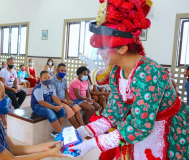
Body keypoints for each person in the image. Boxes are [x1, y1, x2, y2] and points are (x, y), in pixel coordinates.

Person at [69, 1, 188, 160]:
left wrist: (93, 144)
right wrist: (84, 131)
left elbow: (140, 126)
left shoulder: (149, 73)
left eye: (103, 47)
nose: (99, 53)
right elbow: (113, 114)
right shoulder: (116, 72)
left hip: (166, 132)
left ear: (123, 48)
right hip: (139, 131)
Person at [0, 75, 64, 160]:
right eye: (2, 96)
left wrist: (44, 147)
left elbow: (12, 149)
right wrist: (48, 154)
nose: (7, 98)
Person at [31, 71, 66, 138]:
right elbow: (41, 102)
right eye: (45, 78)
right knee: (50, 113)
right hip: (37, 105)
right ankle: (60, 134)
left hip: (48, 103)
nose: (47, 79)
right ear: (41, 79)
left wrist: (60, 104)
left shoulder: (51, 86)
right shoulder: (38, 88)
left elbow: (54, 97)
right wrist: (54, 107)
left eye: (49, 77)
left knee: (62, 111)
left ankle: (56, 132)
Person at [51, 63, 84, 129]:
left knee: (77, 108)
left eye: (65, 71)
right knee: (69, 111)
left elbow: (66, 91)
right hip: (56, 101)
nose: (63, 72)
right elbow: (54, 96)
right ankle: (78, 129)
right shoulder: (52, 80)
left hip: (64, 100)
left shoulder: (64, 80)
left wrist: (69, 100)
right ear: (57, 70)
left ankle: (82, 127)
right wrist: (66, 103)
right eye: (62, 70)